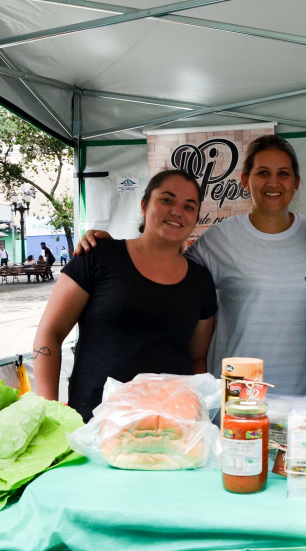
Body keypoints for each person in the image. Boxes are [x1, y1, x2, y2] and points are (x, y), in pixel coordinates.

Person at [77, 135, 306, 396]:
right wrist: (117, 250)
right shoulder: (220, 238)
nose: (273, 182)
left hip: (303, 396)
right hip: (235, 397)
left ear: (296, 182)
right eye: (262, 172)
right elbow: (166, 266)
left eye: (283, 173)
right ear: (244, 180)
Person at [33, 169, 217, 421]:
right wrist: (46, 413)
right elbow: (49, 335)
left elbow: (197, 359)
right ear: (144, 206)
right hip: (93, 425)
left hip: (169, 429)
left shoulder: (201, 281)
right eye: (166, 200)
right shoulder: (98, 255)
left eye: (189, 206)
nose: (177, 211)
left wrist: (196, 419)